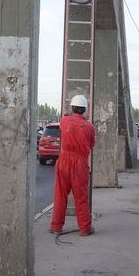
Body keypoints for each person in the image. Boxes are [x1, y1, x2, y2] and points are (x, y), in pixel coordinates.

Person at [50, 94, 96, 236]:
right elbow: (91, 144)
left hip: (64, 161)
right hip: (80, 163)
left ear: (73, 108)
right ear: (85, 110)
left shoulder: (64, 121)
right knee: (81, 197)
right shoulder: (89, 127)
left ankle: (56, 226)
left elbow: (65, 123)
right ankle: (85, 228)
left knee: (60, 196)